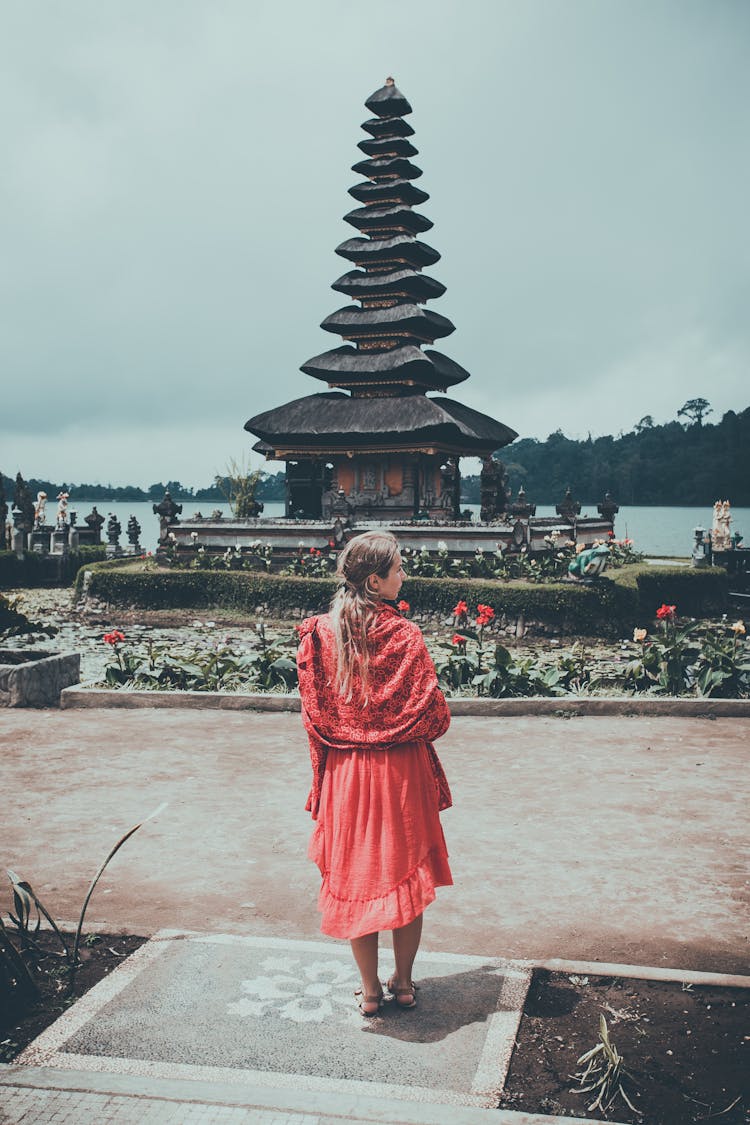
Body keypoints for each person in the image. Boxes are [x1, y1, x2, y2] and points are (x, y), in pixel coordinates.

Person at [297, 530, 453, 1017]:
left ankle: (369, 991)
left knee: (355, 878)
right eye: (399, 567)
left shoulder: (321, 633)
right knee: (406, 875)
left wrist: (334, 758)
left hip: (347, 773)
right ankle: (403, 984)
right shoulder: (405, 635)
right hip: (400, 772)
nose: (404, 574)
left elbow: (313, 715)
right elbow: (434, 715)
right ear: (374, 580)